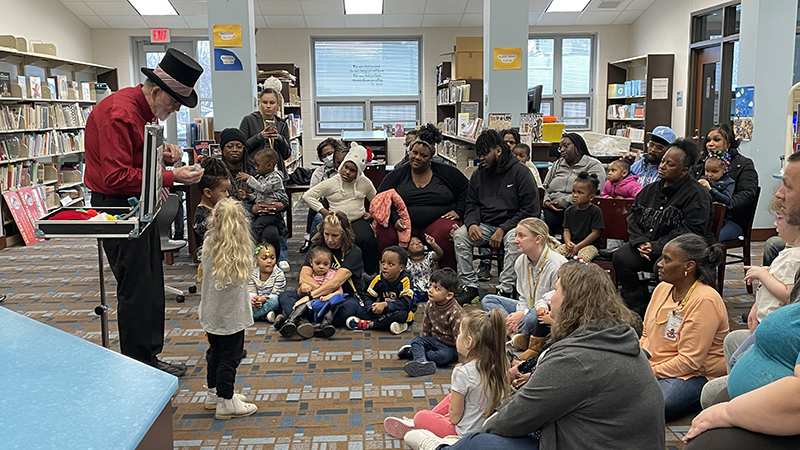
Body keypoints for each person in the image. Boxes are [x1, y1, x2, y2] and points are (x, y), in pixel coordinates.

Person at [403, 262, 665, 450]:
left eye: (557, 292)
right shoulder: (617, 337)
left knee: (482, 441)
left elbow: (520, 416)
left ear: (574, 302)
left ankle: (439, 447)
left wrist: (487, 425)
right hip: (614, 439)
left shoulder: (575, 359)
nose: (551, 300)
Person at [83, 48, 204, 376]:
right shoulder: (119, 114)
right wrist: (171, 176)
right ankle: (138, 364)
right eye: (174, 101)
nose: (176, 108)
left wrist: (162, 158)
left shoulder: (146, 111)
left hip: (142, 203)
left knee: (151, 280)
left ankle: (150, 356)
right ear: (155, 91)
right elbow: (115, 177)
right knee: (136, 286)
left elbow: (136, 160)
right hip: (117, 207)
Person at [612, 138, 714, 316]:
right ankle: (639, 303)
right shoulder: (649, 190)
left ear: (684, 170)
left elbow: (691, 231)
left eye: (670, 164)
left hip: (681, 251)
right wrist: (640, 242)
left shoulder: (696, 195)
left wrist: (657, 246)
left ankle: (664, 308)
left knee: (662, 267)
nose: (662, 166)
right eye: (663, 161)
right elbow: (633, 218)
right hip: (646, 246)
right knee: (621, 257)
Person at [639, 234, 728, 421]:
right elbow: (646, 333)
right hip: (655, 366)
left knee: (655, 403)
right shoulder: (662, 288)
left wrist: (648, 372)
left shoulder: (705, 300)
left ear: (689, 266)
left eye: (667, 260)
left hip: (693, 375)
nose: (659, 264)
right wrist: (640, 362)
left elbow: (689, 362)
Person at [389, 309, 509, 441]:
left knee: (421, 416)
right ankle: (429, 421)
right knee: (454, 396)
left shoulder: (463, 372)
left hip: (462, 435)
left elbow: (455, 417)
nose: (457, 337)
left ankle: (418, 424)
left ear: (469, 342)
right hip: (487, 432)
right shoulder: (501, 365)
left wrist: (445, 418)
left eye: (460, 333)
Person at [454, 129, 540, 304]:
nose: (481, 158)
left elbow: (530, 210)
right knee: (460, 236)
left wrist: (504, 228)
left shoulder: (521, 173)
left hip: (515, 224)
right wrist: (471, 224)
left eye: (485, 153)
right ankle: (469, 287)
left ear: (498, 150)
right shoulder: (479, 174)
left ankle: (505, 289)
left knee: (514, 241)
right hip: (485, 224)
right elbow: (471, 203)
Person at [377, 124, 469, 270]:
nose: (417, 158)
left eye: (423, 155)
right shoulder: (398, 174)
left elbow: (466, 189)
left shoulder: (447, 172)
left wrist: (459, 210)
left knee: (447, 232)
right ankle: (390, 276)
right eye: (414, 152)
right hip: (404, 222)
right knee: (385, 232)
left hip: (437, 221)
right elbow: (381, 199)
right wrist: (395, 219)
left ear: (431, 157)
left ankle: (446, 276)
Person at [198, 198, 258, 419]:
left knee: (215, 353)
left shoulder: (209, 243)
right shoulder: (239, 252)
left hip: (211, 313)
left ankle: (213, 394)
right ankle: (226, 402)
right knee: (230, 359)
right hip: (231, 317)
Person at [481, 217, 566, 361]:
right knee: (489, 300)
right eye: (516, 235)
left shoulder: (556, 264)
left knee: (533, 317)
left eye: (521, 236)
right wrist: (520, 312)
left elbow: (556, 304)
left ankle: (511, 331)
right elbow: (522, 296)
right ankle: (516, 335)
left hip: (546, 313)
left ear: (537, 239)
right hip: (527, 309)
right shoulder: (521, 261)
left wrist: (523, 314)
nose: (515, 240)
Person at [276, 212, 366, 333]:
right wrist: (319, 294)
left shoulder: (353, 252)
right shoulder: (317, 247)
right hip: (316, 295)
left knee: (349, 308)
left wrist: (311, 296)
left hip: (341, 297)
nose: (329, 239)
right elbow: (304, 277)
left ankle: (296, 319)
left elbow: (336, 282)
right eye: (326, 234)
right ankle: (305, 323)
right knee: (285, 296)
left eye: (335, 235)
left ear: (344, 234)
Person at [303, 142, 379, 275]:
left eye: (353, 170)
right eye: (346, 167)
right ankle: (316, 272)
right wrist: (323, 211)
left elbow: (377, 200)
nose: (347, 172)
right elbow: (308, 196)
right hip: (336, 221)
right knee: (318, 242)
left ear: (359, 172)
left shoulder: (364, 182)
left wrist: (372, 214)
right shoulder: (332, 182)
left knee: (368, 240)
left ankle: (370, 274)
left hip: (357, 220)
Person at [691, 123, 759, 242]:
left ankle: (710, 260)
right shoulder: (701, 162)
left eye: (716, 140)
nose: (710, 144)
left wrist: (724, 205)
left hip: (731, 219)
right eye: (708, 140)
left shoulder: (744, 165)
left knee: (708, 240)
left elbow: (748, 194)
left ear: (729, 142)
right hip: (702, 215)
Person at [395, 268, 464, 377]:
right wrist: (425, 342)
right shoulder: (430, 304)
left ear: (449, 295)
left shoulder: (456, 313)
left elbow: (459, 338)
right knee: (417, 340)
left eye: (436, 288)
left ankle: (415, 353)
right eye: (430, 285)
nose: (430, 290)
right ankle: (421, 362)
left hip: (450, 346)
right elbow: (427, 325)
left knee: (443, 357)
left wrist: (462, 361)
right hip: (434, 340)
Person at [541, 133, 606, 233]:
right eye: (560, 147)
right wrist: (546, 202)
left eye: (566, 146)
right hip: (552, 208)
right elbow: (545, 187)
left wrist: (562, 202)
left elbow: (594, 191)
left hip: (579, 209)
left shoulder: (593, 165)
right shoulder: (558, 164)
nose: (562, 149)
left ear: (578, 146)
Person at [347, 246, 416, 334]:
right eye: (383, 262)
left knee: (401, 314)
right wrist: (372, 307)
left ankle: (369, 325)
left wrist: (386, 304)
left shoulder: (405, 280)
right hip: (383, 311)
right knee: (360, 310)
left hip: (400, 310)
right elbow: (368, 297)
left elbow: (406, 303)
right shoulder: (378, 279)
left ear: (401, 268)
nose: (384, 267)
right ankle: (395, 325)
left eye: (390, 264)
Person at [237, 148, 289, 258]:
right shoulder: (261, 177)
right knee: (256, 227)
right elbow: (258, 196)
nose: (256, 168)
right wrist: (247, 196)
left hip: (272, 213)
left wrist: (249, 178)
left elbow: (263, 188)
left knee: (257, 228)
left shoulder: (276, 178)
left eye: (258, 165)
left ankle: (256, 250)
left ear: (269, 166)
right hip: (261, 211)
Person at [300, 138, 347, 253]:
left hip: (344, 203)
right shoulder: (319, 173)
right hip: (324, 206)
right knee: (318, 215)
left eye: (330, 154)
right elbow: (312, 195)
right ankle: (311, 240)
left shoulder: (347, 170)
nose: (328, 157)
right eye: (324, 156)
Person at [556, 172, 604, 261]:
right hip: (572, 244)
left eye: (580, 193)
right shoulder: (569, 210)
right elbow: (566, 230)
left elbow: (595, 233)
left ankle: (579, 275)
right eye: (573, 191)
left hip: (590, 245)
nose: (575, 195)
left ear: (591, 197)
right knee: (555, 255)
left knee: (582, 258)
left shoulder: (595, 211)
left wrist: (578, 247)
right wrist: (568, 242)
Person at [698, 150, 736, 242]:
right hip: (702, 215)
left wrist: (711, 190)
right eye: (707, 171)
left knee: (707, 237)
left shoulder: (729, 182)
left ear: (725, 169)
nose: (709, 175)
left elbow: (726, 200)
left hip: (719, 218)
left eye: (714, 171)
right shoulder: (703, 179)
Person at [193, 157, 231, 247]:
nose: (227, 194)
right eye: (224, 191)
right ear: (208, 192)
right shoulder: (202, 217)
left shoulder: (217, 209)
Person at [249, 242, 286, 322]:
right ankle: (265, 315)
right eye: (264, 258)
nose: (269, 261)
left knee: (275, 302)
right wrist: (255, 301)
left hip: (271, 300)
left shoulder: (278, 274)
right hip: (257, 303)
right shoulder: (252, 274)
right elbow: (251, 292)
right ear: (256, 260)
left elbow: (275, 294)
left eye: (272, 258)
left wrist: (264, 299)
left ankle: (253, 315)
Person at [406, 235, 444, 304]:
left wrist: (433, 244)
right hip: (414, 291)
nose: (417, 244)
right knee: (408, 299)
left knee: (439, 296)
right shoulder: (406, 263)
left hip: (430, 289)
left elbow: (440, 254)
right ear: (408, 252)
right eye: (413, 244)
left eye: (419, 242)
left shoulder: (429, 257)